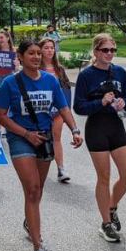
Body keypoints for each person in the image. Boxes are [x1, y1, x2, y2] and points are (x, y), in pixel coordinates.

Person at [0, 39, 83, 251]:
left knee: (38, 190)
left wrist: (74, 130)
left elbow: (63, 108)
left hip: (43, 139)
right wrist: (25, 134)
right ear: (20, 57)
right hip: (21, 139)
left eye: (38, 53)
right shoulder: (10, 83)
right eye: (30, 53)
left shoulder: (50, 80)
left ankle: (29, 221)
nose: (35, 57)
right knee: (32, 189)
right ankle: (37, 247)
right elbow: (1, 116)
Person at [73, 34, 126, 243]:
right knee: (104, 177)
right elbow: (79, 106)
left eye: (112, 50)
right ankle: (106, 223)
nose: (109, 54)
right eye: (105, 50)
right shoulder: (86, 76)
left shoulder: (120, 72)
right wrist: (100, 102)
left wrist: (123, 104)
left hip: (116, 126)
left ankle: (112, 205)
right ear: (96, 52)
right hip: (97, 128)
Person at [39, 38, 72, 183]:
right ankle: (38, 166)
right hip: (41, 111)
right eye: (46, 48)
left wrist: (67, 112)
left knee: (56, 138)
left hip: (58, 111)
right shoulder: (36, 69)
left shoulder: (60, 70)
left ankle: (61, 169)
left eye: (52, 47)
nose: (50, 50)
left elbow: (66, 90)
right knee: (42, 139)